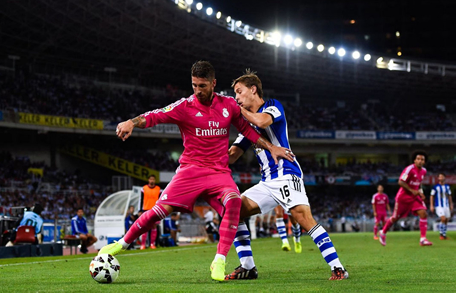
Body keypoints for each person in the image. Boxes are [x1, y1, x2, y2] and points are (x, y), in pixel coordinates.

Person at [98, 61, 294, 281]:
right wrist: (132, 122)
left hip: (219, 173)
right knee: (159, 211)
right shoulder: (185, 106)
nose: (198, 91)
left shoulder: (228, 105)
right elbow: (155, 116)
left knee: (234, 202)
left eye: (202, 85)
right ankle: (121, 244)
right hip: (190, 171)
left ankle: (219, 260)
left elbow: (248, 131)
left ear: (213, 83)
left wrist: (271, 147)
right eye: (194, 86)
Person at [227, 70, 348, 281]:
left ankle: (338, 268)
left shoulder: (273, 106)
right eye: (234, 95)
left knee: (302, 218)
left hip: (286, 173)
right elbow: (232, 155)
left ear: (253, 90)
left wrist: (235, 110)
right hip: (266, 182)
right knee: (234, 210)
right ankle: (248, 267)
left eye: (239, 92)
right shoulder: (247, 126)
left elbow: (263, 121)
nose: (236, 98)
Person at [379, 152, 432, 246]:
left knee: (423, 213)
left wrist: (421, 193)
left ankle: (423, 239)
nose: (420, 161)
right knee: (395, 217)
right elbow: (400, 181)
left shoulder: (424, 171)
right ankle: (383, 232)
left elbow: (418, 183)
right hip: (403, 197)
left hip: (414, 197)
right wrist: (412, 190)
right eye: (418, 159)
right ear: (414, 160)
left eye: (422, 159)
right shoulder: (409, 169)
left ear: (424, 162)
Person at [139, 175, 162, 250]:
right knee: (145, 226)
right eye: (150, 179)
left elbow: (161, 201)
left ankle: (152, 244)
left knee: (154, 226)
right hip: (146, 209)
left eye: (153, 179)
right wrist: (140, 210)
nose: (152, 181)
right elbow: (141, 199)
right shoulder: (144, 188)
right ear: (148, 180)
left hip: (155, 209)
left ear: (155, 180)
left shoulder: (158, 189)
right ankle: (143, 244)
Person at [430, 173, 453, 240]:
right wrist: (431, 205)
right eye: (440, 177)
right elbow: (432, 196)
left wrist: (451, 204)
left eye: (442, 176)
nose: (441, 178)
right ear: (438, 178)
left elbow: (449, 196)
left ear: (444, 178)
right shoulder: (435, 187)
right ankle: (441, 234)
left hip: (446, 205)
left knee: (446, 220)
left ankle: (444, 235)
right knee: (443, 218)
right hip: (438, 205)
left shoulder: (447, 187)